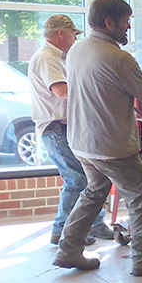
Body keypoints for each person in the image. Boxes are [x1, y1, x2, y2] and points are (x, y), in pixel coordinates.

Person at [53, 0, 142, 276]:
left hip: (82, 141)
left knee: (93, 192)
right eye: (125, 21)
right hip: (110, 144)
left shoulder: (78, 50)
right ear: (108, 22)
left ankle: (68, 250)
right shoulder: (118, 57)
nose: (128, 27)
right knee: (141, 194)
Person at [28, 15, 115, 246]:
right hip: (56, 128)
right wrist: (93, 90)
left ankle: (92, 224)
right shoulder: (47, 58)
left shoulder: (55, 57)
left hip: (65, 126)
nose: (75, 39)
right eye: (74, 34)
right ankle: (62, 231)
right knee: (76, 178)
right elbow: (60, 90)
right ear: (61, 34)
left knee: (88, 177)